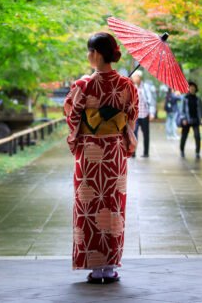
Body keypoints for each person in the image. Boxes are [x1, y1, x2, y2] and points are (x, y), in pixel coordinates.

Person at [64, 32, 138, 284]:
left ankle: (95, 267)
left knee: (90, 205)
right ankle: (110, 266)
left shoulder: (82, 85)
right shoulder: (127, 85)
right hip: (114, 154)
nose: (88, 56)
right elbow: (130, 117)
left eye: (89, 52)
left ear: (96, 54)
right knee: (113, 205)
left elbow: (72, 116)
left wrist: (77, 138)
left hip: (90, 153)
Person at [179, 81, 202, 159]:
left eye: (193, 88)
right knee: (184, 136)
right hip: (186, 120)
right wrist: (183, 119)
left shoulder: (198, 99)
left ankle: (197, 152)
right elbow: (181, 110)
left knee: (197, 136)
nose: (192, 89)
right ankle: (182, 150)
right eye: (190, 88)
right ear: (188, 89)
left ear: (196, 89)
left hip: (196, 120)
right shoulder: (185, 98)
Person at [131, 70, 156, 157]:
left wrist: (152, 113)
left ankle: (146, 152)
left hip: (144, 114)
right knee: (134, 133)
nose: (134, 78)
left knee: (146, 134)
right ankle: (133, 152)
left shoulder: (145, 87)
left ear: (139, 77)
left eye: (135, 77)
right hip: (136, 116)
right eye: (133, 77)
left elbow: (151, 101)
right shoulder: (132, 87)